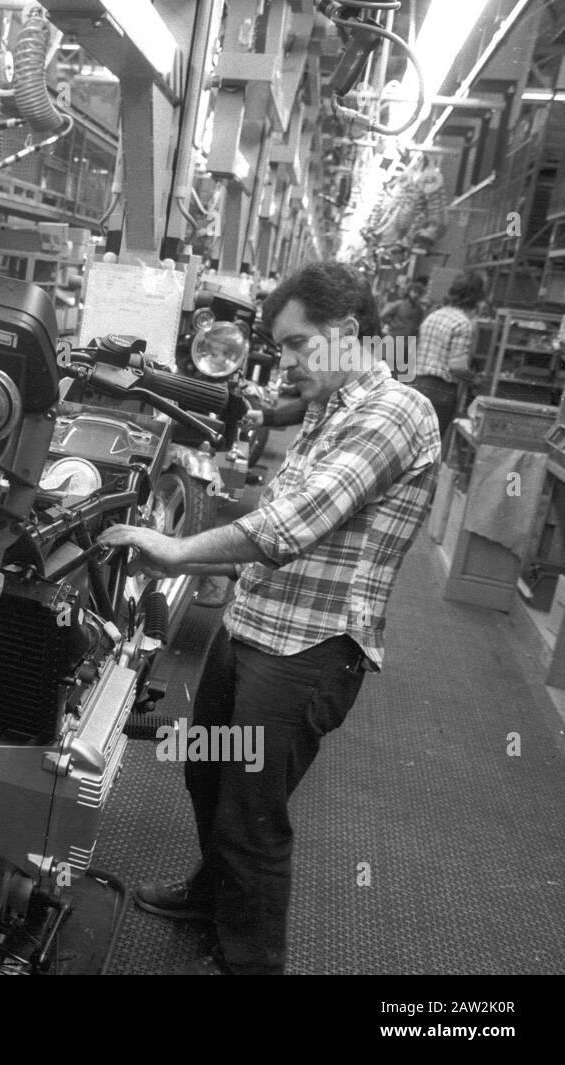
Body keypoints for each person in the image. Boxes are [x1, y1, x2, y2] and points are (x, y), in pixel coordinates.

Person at [99, 262, 441, 975]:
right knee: (205, 768)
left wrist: (178, 549)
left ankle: (250, 961)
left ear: (346, 335)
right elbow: (270, 513)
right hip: (257, 624)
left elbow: (290, 524)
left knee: (252, 817)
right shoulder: (329, 406)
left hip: (308, 650)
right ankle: (210, 895)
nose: (284, 362)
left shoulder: (396, 412)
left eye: (296, 345)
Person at [412, 271, 485, 443]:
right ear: (476, 297)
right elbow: (457, 367)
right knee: (429, 448)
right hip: (441, 393)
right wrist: (475, 380)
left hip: (418, 383)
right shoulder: (462, 323)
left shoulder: (434, 315)